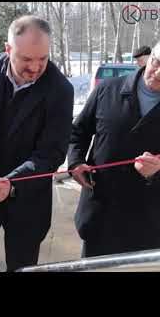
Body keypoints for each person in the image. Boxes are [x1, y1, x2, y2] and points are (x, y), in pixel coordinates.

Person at [0, 15, 74, 272]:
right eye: (27, 59)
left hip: (28, 200)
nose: (35, 67)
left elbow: (51, 152)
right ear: (8, 50)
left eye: (43, 59)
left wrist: (12, 183)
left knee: (22, 266)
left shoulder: (60, 89)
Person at [69, 41, 160, 258]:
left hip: (150, 222)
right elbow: (78, 132)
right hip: (102, 213)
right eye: (157, 62)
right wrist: (75, 162)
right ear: (150, 57)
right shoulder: (108, 90)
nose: (158, 73)